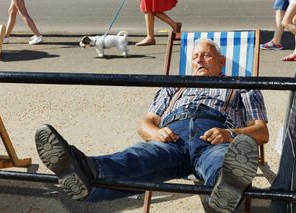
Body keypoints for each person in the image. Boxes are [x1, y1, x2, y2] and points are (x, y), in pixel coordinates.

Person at [35, 39, 269, 212]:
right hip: (171, 139)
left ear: (221, 61)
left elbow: (261, 131)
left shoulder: (241, 85)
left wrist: (230, 133)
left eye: (206, 55)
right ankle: (85, 170)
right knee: (136, 158)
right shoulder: (173, 85)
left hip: (213, 139)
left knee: (223, 162)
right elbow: (145, 124)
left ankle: (225, 189)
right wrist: (157, 132)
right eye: (195, 55)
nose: (199, 59)